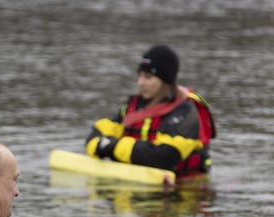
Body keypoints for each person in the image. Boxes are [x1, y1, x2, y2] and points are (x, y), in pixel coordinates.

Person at [85, 44, 217, 179]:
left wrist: (112, 147)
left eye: (148, 77)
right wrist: (100, 145)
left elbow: (165, 156)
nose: (141, 83)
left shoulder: (185, 111)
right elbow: (97, 134)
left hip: (182, 189)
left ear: (165, 81)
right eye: (140, 76)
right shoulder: (132, 106)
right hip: (138, 183)